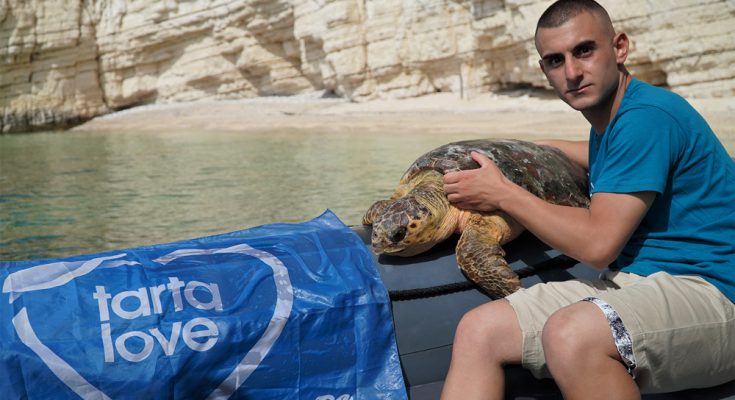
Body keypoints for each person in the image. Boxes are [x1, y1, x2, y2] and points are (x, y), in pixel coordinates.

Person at [439, 0, 735, 399]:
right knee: (480, 331)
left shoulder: (645, 118)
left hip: (714, 291)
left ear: (619, 48)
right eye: (555, 60)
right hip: (639, 283)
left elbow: (598, 246)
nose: (573, 72)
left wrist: (503, 192)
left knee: (571, 334)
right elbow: (605, 158)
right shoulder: (614, 120)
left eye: (584, 50)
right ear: (545, 71)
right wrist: (533, 150)